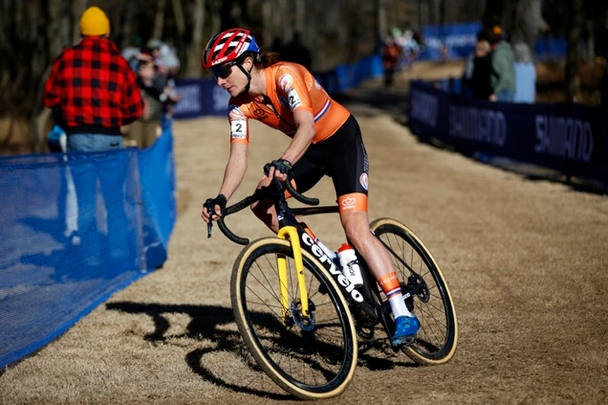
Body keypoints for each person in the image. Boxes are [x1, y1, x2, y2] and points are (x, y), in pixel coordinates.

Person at [200, 28, 420, 345]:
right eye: (215, 74)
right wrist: (221, 197)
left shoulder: (285, 75)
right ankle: (332, 262)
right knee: (261, 201)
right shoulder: (238, 106)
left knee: (355, 227)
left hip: (341, 140)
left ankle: (401, 312)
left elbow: (307, 125)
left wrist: (285, 162)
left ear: (248, 62)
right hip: (310, 151)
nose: (219, 81)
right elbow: (238, 158)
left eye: (223, 70)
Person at [43, 6, 143, 266]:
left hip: (76, 138)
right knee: (114, 200)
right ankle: (119, 256)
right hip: (110, 138)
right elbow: (136, 108)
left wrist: (69, 109)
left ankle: (90, 260)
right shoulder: (119, 63)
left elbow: (49, 97)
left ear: (81, 32)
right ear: (108, 32)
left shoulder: (66, 59)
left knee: (85, 202)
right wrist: (114, 120)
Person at [462, 31, 495, 100]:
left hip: (483, 96)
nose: (478, 51)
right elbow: (470, 77)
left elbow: (487, 81)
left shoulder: (487, 62)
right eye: (477, 48)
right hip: (474, 94)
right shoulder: (473, 60)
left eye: (481, 49)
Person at [487, 26, 516, 102]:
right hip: (509, 89)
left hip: (503, 91)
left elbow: (505, 76)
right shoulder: (506, 50)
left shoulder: (498, 55)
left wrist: (495, 93)